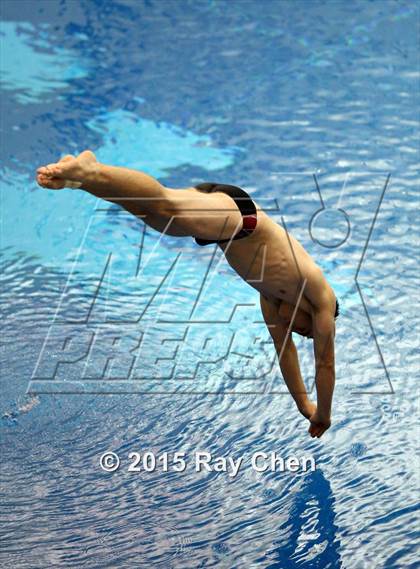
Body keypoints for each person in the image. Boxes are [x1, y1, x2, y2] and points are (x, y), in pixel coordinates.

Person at [36, 150, 338, 438]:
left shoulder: (270, 298)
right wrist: (324, 414)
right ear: (312, 314)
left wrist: (303, 406)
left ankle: (83, 178)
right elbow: (324, 363)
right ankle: (90, 170)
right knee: (165, 205)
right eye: (307, 330)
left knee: (151, 214)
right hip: (241, 217)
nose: (301, 333)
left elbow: (285, 352)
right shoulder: (318, 292)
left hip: (224, 228)